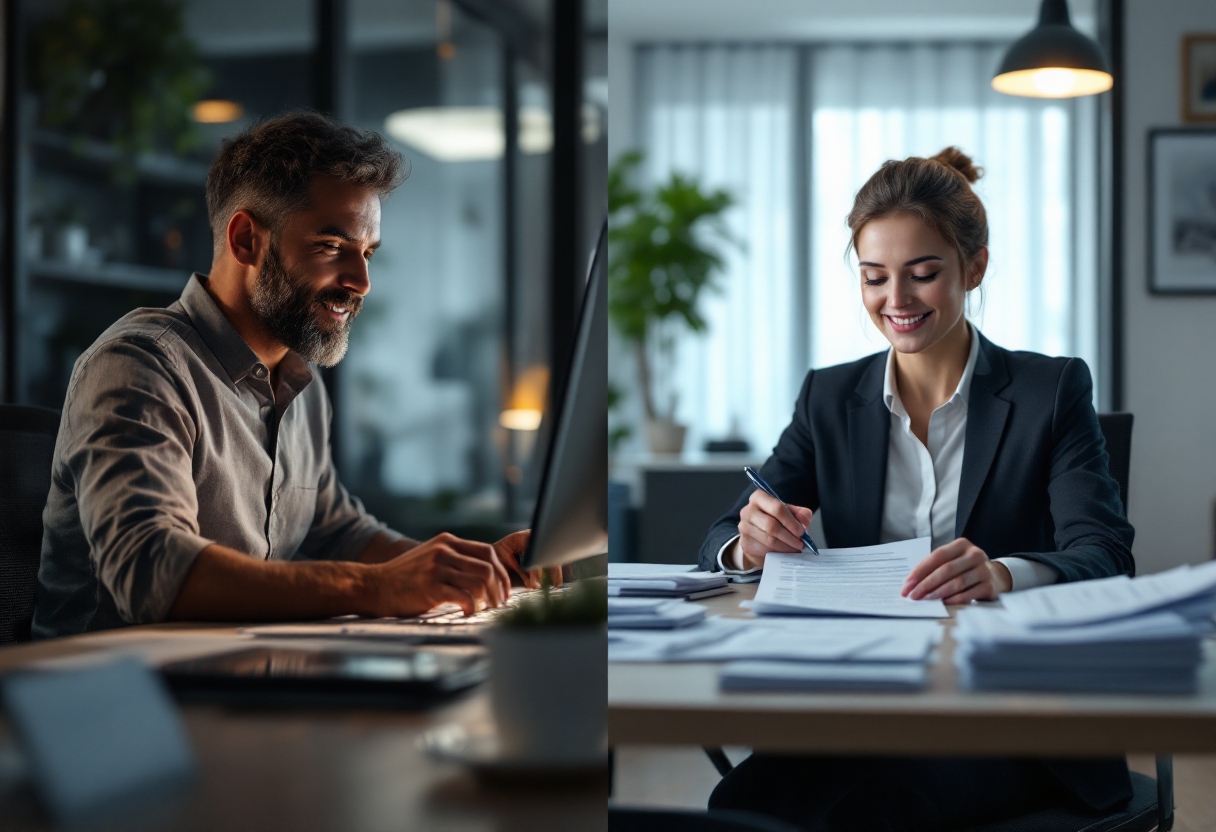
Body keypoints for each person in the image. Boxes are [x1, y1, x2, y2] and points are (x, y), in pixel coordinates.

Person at [698, 148, 1135, 831]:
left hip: (1012, 716)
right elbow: (721, 536)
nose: (895, 302)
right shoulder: (829, 397)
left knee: (878, 809)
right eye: (874, 277)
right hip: (864, 702)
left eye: (923, 274)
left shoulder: (1052, 391)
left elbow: (1106, 554)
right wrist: (746, 544)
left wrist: (1000, 573)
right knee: (739, 806)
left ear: (975, 267)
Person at [33, 111, 552, 639]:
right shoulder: (140, 367)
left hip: (239, 681)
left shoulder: (299, 380)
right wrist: (373, 589)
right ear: (245, 241)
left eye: (368, 253)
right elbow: (148, 572)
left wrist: (475, 568)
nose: (362, 282)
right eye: (331, 247)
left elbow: (342, 532)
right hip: (119, 699)